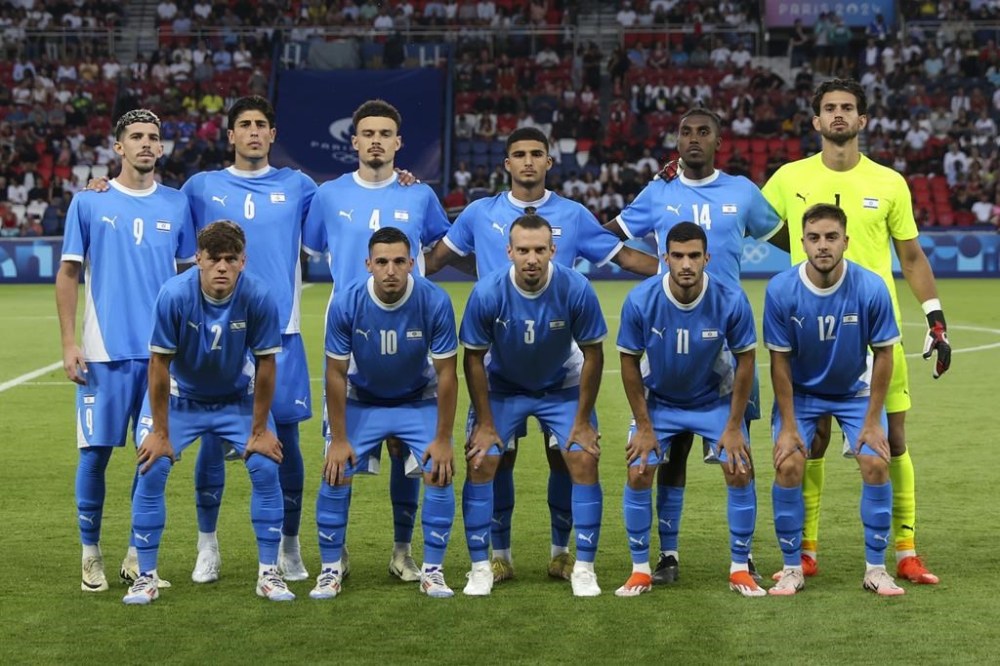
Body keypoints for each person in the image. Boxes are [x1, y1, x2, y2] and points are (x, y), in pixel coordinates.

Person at [425, 126, 658, 585]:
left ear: (549, 162)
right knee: (496, 457)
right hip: (500, 364)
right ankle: (498, 556)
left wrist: (680, 269)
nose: (528, 161)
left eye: (536, 154)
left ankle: (562, 553)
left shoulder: (573, 214)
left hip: (559, 361)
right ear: (506, 163)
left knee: (566, 457)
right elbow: (435, 260)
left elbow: (626, 258)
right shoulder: (478, 213)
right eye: (519, 154)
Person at [762, 78, 950, 585]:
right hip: (811, 330)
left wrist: (934, 316)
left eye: (848, 107)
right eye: (830, 108)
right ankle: (805, 551)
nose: (839, 114)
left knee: (893, 439)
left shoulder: (889, 182)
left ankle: (906, 551)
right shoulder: (789, 177)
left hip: (875, 332)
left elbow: (911, 257)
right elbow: (757, 224)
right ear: (817, 121)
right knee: (812, 441)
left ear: (862, 120)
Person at [604, 108, 785, 585]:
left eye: (704, 132)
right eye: (686, 132)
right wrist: (656, 270)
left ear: (719, 141)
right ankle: (668, 555)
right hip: (670, 328)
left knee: (738, 451)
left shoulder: (742, 192)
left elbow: (788, 239)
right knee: (673, 452)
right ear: (677, 140)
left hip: (725, 337)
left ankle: (744, 556)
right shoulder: (658, 191)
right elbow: (609, 238)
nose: (694, 139)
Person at [302, 99, 451, 583]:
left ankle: (403, 553)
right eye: (368, 133)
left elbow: (441, 247)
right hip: (351, 341)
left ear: (398, 142)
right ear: (354, 141)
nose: (376, 141)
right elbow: (310, 247)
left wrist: (420, 288)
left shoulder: (419, 194)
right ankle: (335, 557)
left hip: (410, 342)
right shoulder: (328, 195)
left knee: (409, 459)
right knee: (339, 457)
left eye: (385, 134)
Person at [56, 109, 195, 593]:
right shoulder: (89, 202)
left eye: (154, 137)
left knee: (153, 457)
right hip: (103, 353)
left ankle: (138, 556)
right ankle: (90, 555)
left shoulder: (177, 203)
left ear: (162, 147)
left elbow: (188, 278)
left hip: (161, 356)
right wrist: (69, 342)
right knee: (94, 457)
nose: (146, 143)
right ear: (119, 147)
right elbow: (69, 273)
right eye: (136, 136)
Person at [180, 96, 318, 584]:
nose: (254, 131)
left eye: (262, 124)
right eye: (245, 124)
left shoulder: (299, 186)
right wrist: (102, 183)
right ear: (231, 135)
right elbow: (154, 206)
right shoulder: (201, 187)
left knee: (287, 443)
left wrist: (401, 178)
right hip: (217, 334)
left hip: (282, 333)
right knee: (213, 439)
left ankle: (289, 546)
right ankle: (207, 546)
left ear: (273, 134)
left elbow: (345, 213)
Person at [122, 221, 292, 604]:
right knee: (151, 466)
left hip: (236, 398)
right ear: (198, 259)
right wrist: (160, 433)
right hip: (181, 398)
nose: (222, 267)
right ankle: (145, 576)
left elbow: (266, 364)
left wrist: (260, 430)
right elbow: (158, 364)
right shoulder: (174, 295)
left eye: (230, 259)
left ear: (243, 261)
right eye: (214, 259)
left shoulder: (259, 296)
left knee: (266, 465)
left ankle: (268, 573)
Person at [459, 213, 607, 597]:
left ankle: (578, 564)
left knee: (582, 457)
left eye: (540, 250)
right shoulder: (488, 292)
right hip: (503, 387)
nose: (531, 259)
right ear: (508, 251)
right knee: (483, 459)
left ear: (553, 250)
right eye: (523, 250)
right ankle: (487, 564)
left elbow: (594, 354)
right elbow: (472, 359)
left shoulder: (576, 288)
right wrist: (485, 424)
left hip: (561, 385)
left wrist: (582, 422)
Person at [615, 222, 763, 598]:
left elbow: (746, 362)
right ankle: (640, 570)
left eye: (694, 256)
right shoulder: (641, 300)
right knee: (638, 470)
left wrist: (734, 426)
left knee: (739, 468)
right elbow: (629, 362)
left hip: (713, 400)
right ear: (665, 258)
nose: (686, 264)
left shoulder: (730, 298)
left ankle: (740, 568)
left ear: (706, 258)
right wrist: (644, 426)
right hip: (659, 401)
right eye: (678, 256)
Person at [310, 228, 459, 600]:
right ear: (368, 264)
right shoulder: (347, 303)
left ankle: (432, 570)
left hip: (416, 399)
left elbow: (447, 375)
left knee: (438, 470)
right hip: (362, 399)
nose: (390, 270)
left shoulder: (434, 300)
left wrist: (443, 439)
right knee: (335, 470)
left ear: (411, 264)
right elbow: (335, 374)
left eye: (398, 262)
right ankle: (331, 568)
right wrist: (338, 440)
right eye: (381, 262)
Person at [764, 204, 905, 597]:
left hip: (854, 391)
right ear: (802, 242)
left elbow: (884, 355)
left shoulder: (871, 287)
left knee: (876, 461)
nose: (822, 245)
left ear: (846, 241)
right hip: (802, 393)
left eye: (831, 237)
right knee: (788, 463)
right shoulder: (781, 289)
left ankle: (876, 569)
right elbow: (779, 362)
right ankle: (792, 568)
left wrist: (873, 421)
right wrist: (788, 426)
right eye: (814, 238)